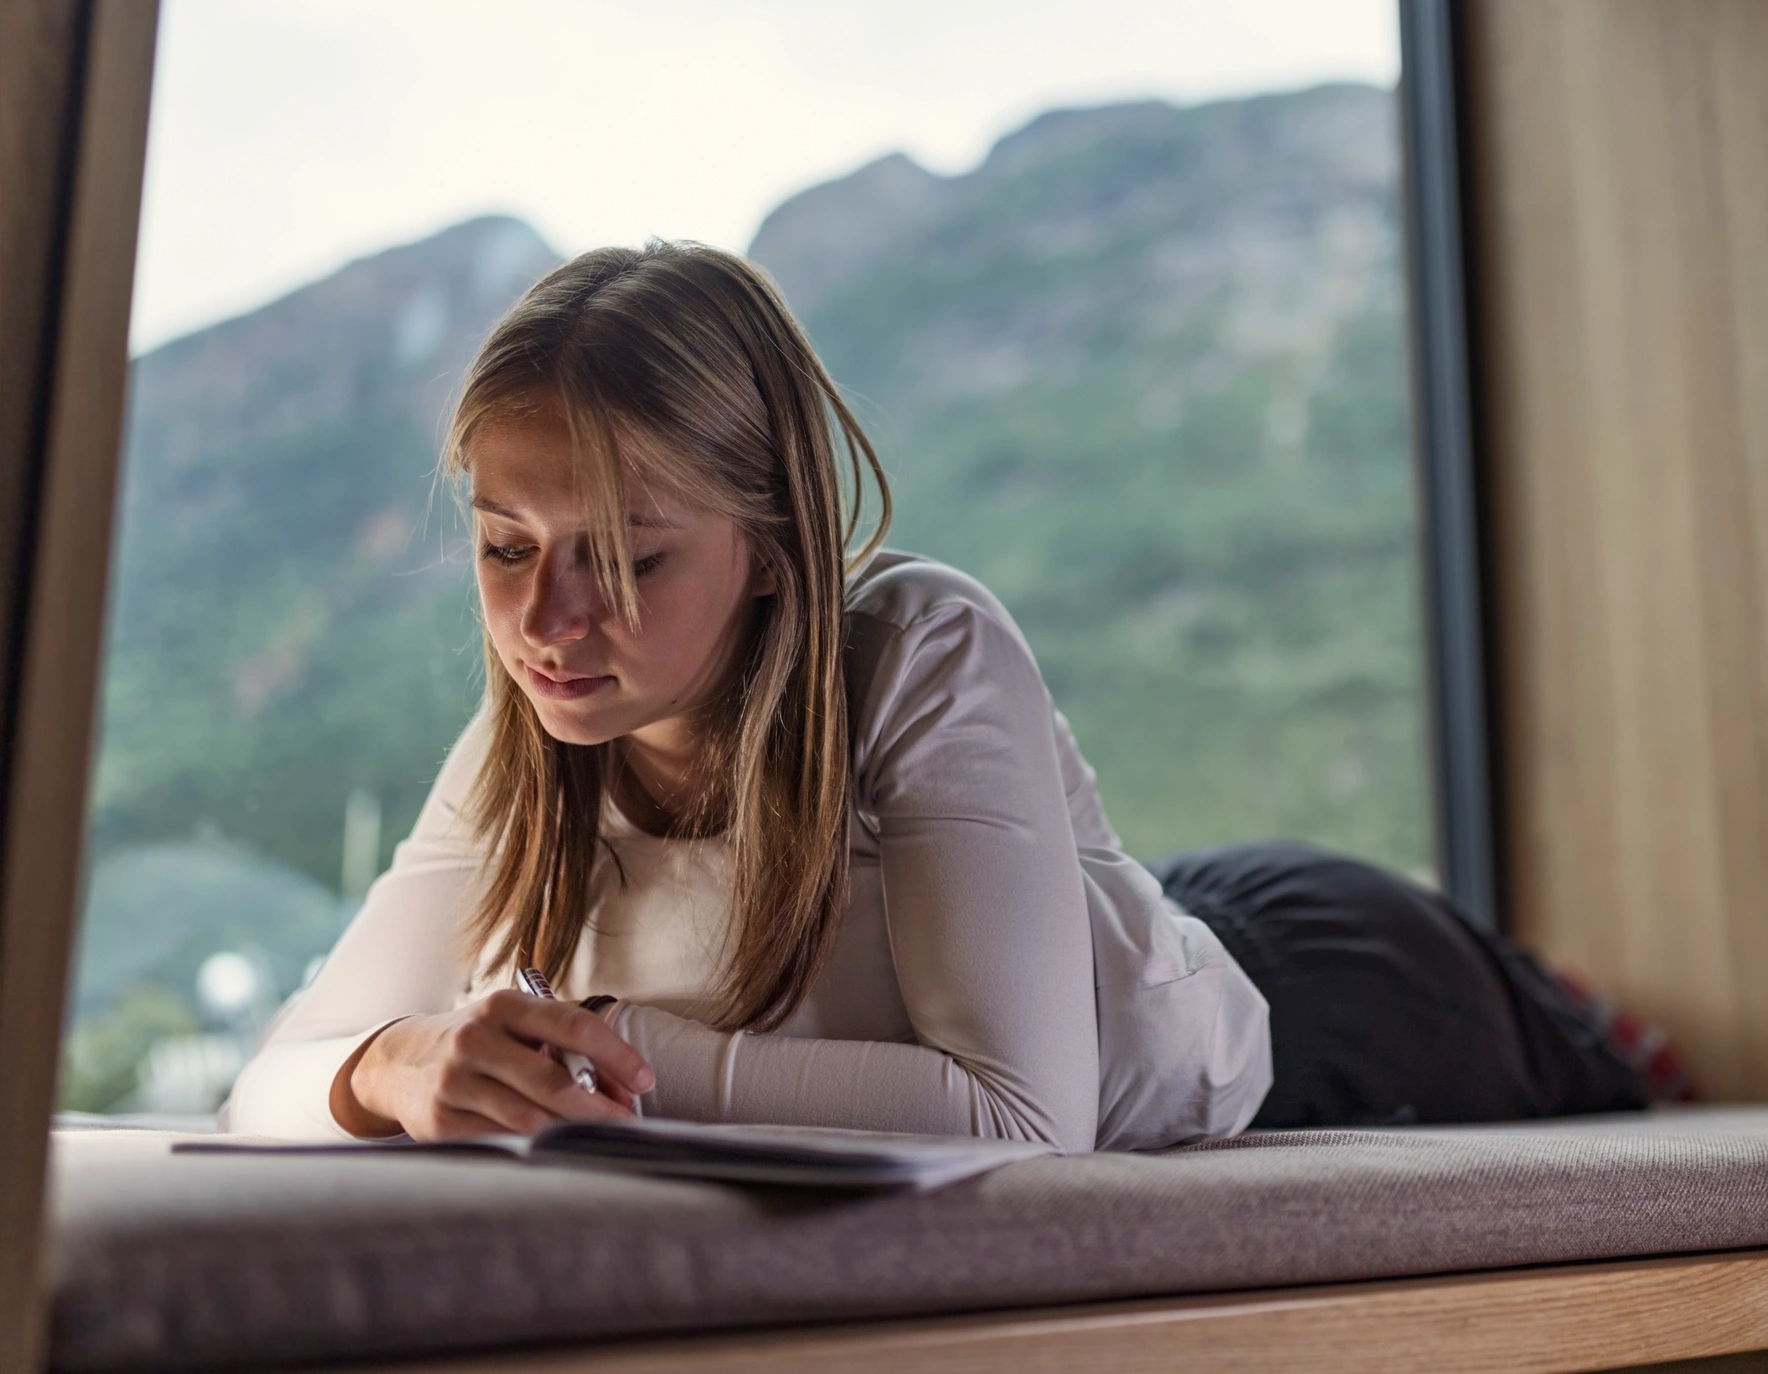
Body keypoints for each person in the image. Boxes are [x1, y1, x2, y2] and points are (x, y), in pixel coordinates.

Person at [219, 237, 1667, 1154]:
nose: (549, 618)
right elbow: (269, 1082)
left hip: (1307, 978)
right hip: (1095, 926)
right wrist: (398, 1067)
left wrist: (611, 1055)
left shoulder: (913, 644)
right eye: (504, 546)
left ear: (775, 544)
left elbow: (1027, 1118)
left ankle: (1590, 1006)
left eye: (632, 556)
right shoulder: (525, 746)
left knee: (1602, 1065)